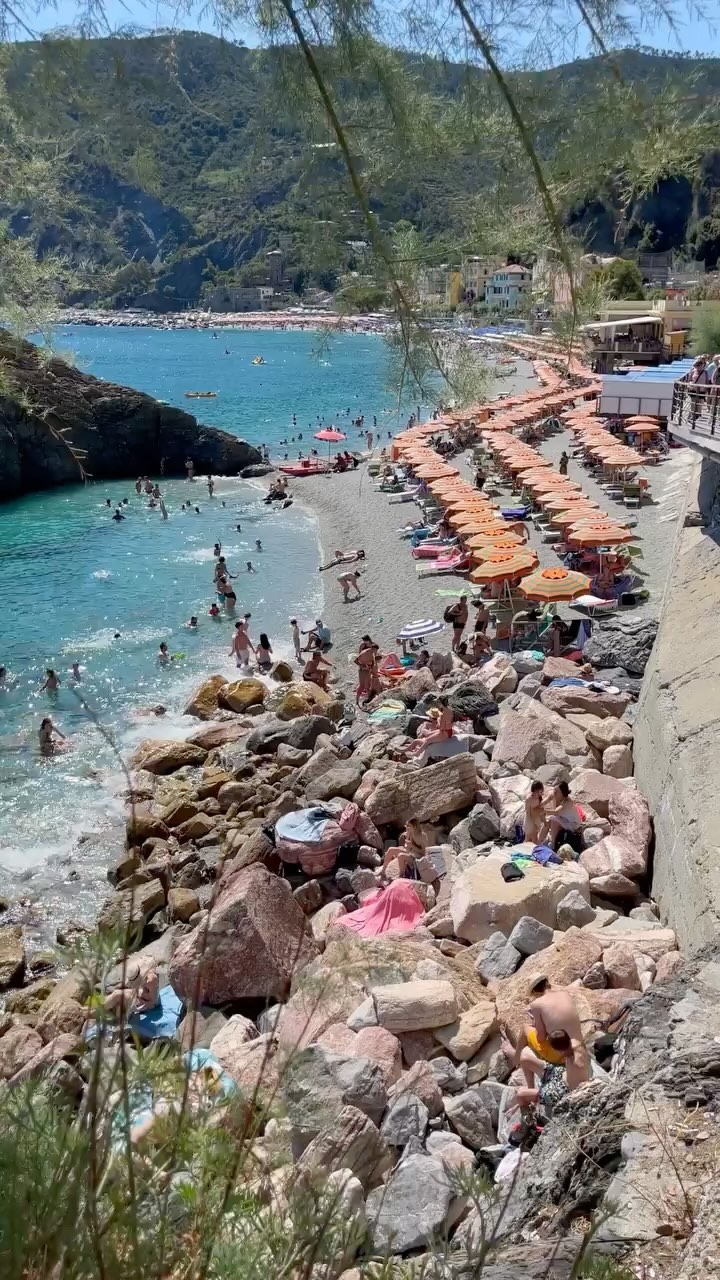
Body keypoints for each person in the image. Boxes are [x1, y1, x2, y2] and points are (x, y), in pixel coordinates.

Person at [502, 976, 591, 1103]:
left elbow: (541, 1037)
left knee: (525, 1028)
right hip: (574, 1043)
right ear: (547, 982)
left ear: (534, 992)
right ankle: (529, 1087)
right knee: (527, 1057)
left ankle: (515, 1057)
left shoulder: (537, 1004)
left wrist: (536, 1021)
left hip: (560, 1057)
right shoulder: (565, 994)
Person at [539, 780, 582, 850]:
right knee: (548, 821)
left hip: (572, 824)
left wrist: (544, 811)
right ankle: (538, 841)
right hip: (562, 819)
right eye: (554, 790)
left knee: (553, 819)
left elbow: (556, 812)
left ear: (563, 793)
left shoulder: (567, 802)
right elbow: (544, 802)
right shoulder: (553, 794)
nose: (554, 792)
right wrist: (538, 806)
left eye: (557, 791)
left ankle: (552, 844)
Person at [354, 638, 381, 704]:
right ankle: (357, 701)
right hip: (362, 671)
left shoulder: (372, 654)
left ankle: (369, 699)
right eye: (375, 650)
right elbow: (355, 660)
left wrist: (372, 670)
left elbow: (373, 663)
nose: (375, 652)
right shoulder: (364, 653)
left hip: (368, 670)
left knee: (368, 687)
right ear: (373, 649)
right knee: (362, 686)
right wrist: (362, 666)